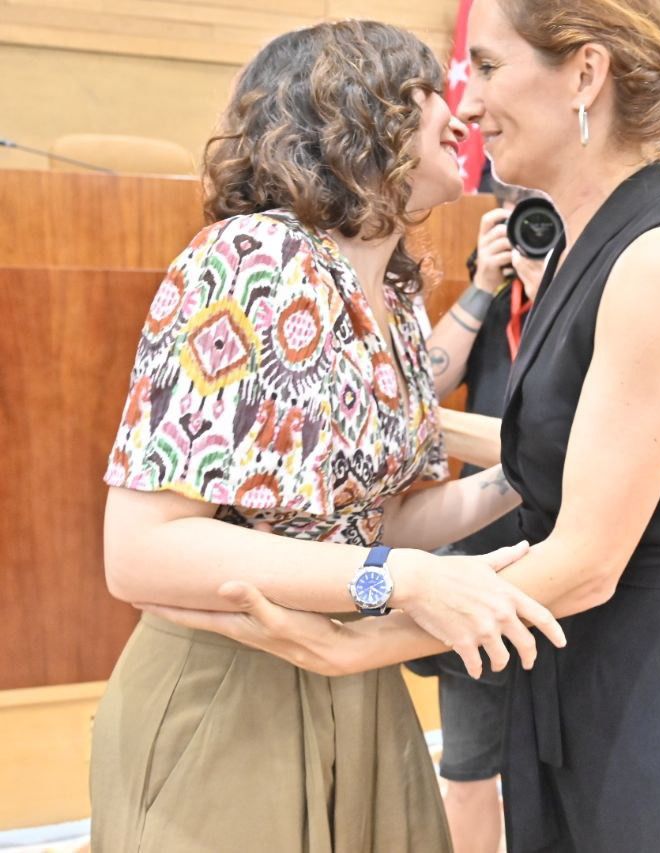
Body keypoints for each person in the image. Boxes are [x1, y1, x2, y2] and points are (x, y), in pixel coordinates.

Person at [142, 0, 660, 851]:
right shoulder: (586, 251)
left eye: (483, 68)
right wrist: (401, 580)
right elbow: (541, 457)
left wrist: (371, 635)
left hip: (655, 673)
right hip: (561, 656)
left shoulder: (658, 258)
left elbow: (585, 558)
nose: (467, 104)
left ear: (585, 74)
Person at [90, 21, 566, 852]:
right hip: (228, 685)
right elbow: (141, 552)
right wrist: (401, 580)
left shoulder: (398, 294)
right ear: (354, 116)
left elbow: (368, 524)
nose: (456, 118)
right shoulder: (254, 257)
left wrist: (528, 472)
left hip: (349, 666)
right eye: (424, 97)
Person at [408, 179, 548, 853]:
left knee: (557, 771)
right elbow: (417, 392)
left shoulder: (597, 302)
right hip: (480, 561)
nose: (534, 233)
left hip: (567, 564)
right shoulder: (492, 302)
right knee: (466, 767)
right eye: (523, 217)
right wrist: (485, 284)